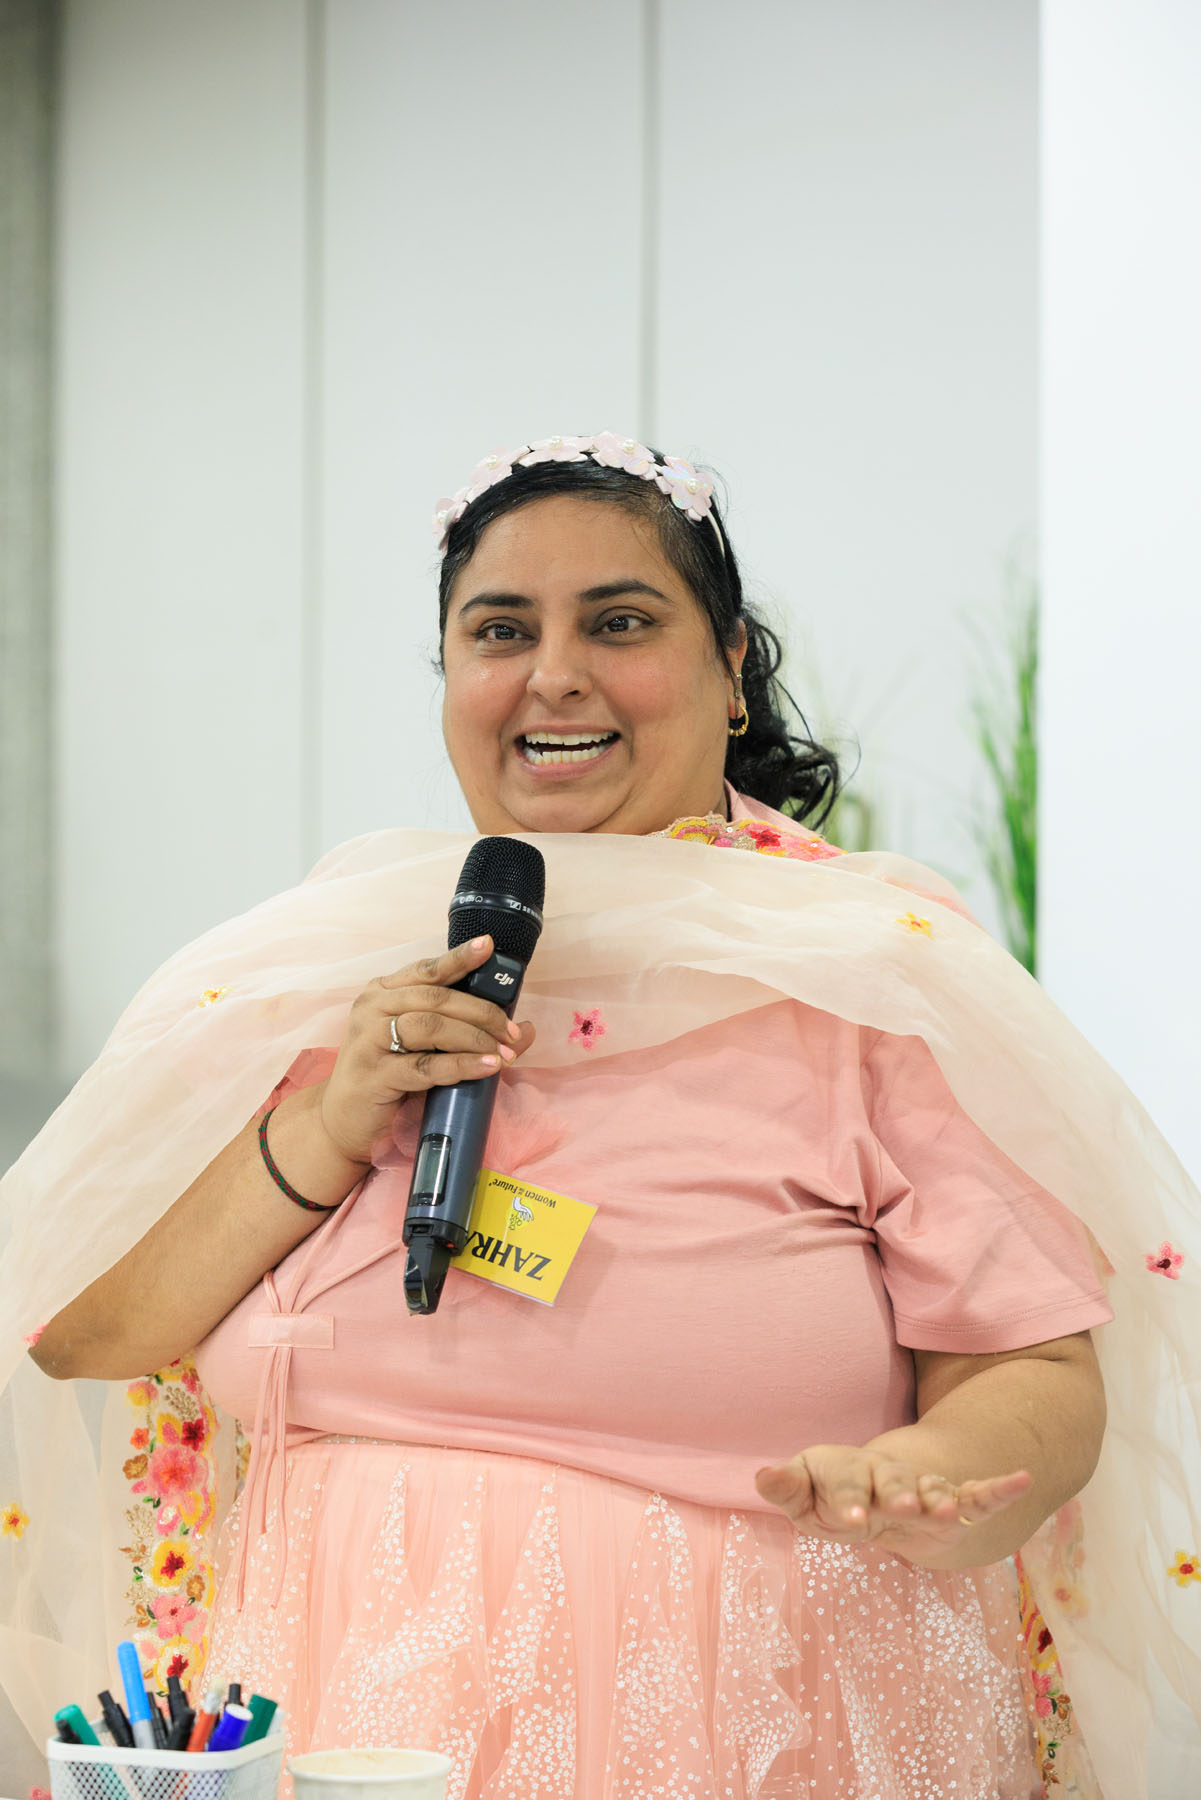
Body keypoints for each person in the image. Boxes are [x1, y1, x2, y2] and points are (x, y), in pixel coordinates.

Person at [5, 434, 1200, 1798]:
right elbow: (84, 1332)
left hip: (763, 1728)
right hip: (339, 1729)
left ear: (731, 668)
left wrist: (928, 1471)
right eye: (500, 630)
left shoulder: (870, 982)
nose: (554, 673)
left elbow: (1037, 1377)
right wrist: (331, 1118)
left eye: (619, 622)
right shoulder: (330, 968)